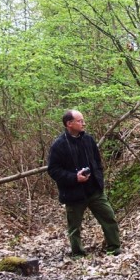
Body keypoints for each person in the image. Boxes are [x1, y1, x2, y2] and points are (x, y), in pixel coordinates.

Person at [47, 109, 121, 257]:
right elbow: (53, 170)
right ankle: (78, 254)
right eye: (80, 121)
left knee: (109, 218)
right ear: (69, 123)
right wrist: (75, 177)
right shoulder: (58, 145)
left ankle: (114, 248)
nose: (83, 123)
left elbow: (97, 162)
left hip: (94, 190)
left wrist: (98, 177)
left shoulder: (89, 140)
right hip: (73, 193)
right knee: (74, 227)